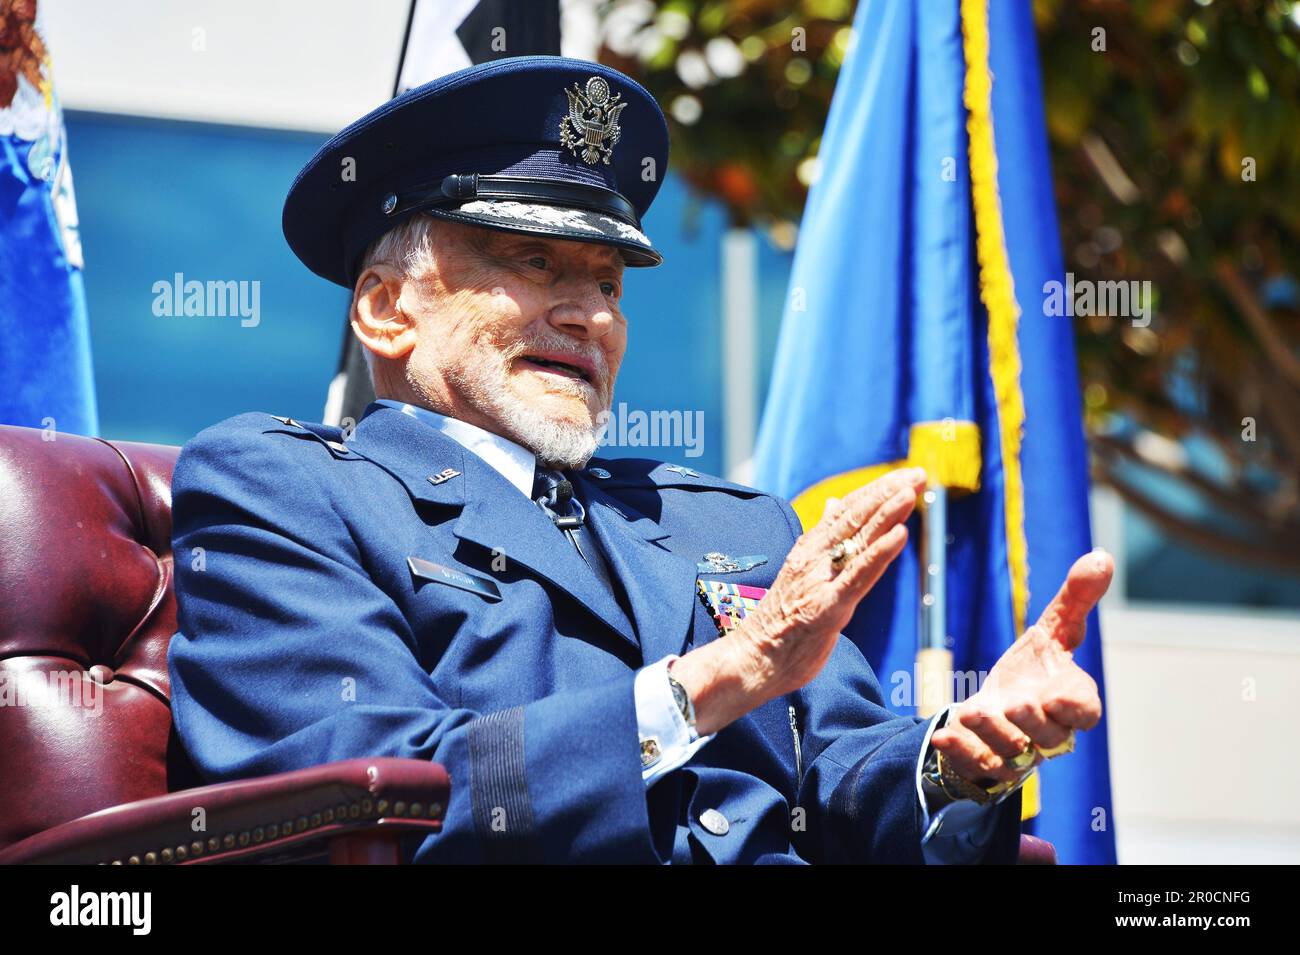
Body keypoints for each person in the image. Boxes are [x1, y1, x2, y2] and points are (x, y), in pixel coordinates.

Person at [167, 55, 1110, 864]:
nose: (595, 316)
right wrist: (720, 678)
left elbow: (841, 776)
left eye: (609, 281)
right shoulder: (283, 489)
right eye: (535, 262)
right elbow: (376, 799)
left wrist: (960, 754)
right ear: (386, 309)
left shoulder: (735, 521)